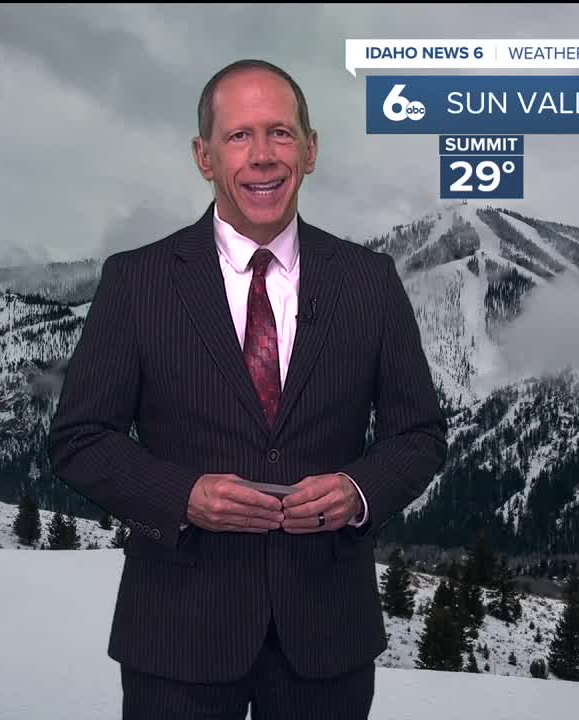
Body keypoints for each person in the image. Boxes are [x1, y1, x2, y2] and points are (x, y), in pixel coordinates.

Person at [47, 58, 448, 719]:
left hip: (328, 639)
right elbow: (80, 439)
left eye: (280, 133)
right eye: (239, 136)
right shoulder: (137, 281)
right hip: (176, 638)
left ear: (310, 150)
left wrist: (356, 491)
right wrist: (183, 496)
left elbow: (420, 435)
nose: (262, 156)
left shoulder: (369, 282)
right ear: (204, 156)